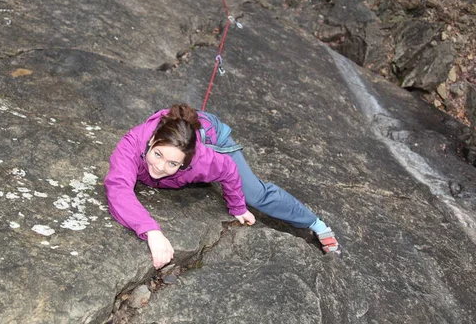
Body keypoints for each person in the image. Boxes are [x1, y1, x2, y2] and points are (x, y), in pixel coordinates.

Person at [105, 104, 340, 269]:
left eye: (173, 163)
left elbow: (228, 169)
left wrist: (237, 206)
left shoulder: (202, 160)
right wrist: (152, 232)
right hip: (181, 131)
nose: (159, 167)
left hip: (212, 136)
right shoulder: (132, 144)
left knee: (255, 195)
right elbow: (118, 188)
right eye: (157, 154)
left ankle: (315, 223)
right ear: (153, 140)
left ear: (186, 161)